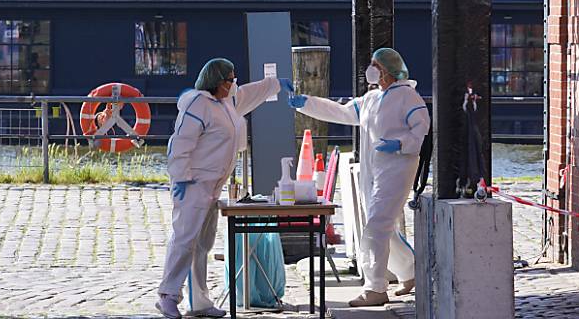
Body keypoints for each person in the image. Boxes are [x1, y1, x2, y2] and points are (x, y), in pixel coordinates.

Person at [283, 47, 429, 307]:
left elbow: (422, 127)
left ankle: (375, 288)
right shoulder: (372, 98)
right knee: (380, 225)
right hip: (374, 166)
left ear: (387, 69)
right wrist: (307, 103)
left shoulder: (408, 97)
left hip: (398, 166)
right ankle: (410, 271)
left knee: (376, 226)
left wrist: (401, 143)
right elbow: (341, 112)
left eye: (375, 64)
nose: (370, 69)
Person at [157, 58, 281, 319]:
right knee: (184, 240)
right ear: (216, 81)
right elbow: (180, 143)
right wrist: (180, 177)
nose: (234, 84)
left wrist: (276, 85)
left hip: (213, 186)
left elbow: (250, 93)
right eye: (229, 79)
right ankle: (168, 295)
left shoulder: (227, 103)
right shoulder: (199, 104)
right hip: (192, 184)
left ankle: (199, 302)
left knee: (202, 244)